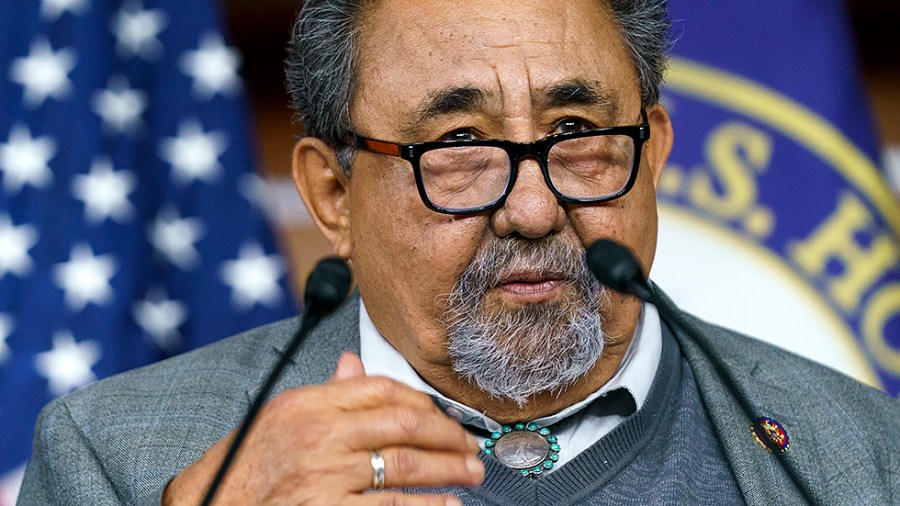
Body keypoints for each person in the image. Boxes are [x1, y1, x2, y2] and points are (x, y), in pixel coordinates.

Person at [18, 0, 900, 504]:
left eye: (576, 132)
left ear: (654, 155)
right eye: (460, 144)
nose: (532, 205)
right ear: (333, 196)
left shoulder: (861, 452)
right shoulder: (116, 457)